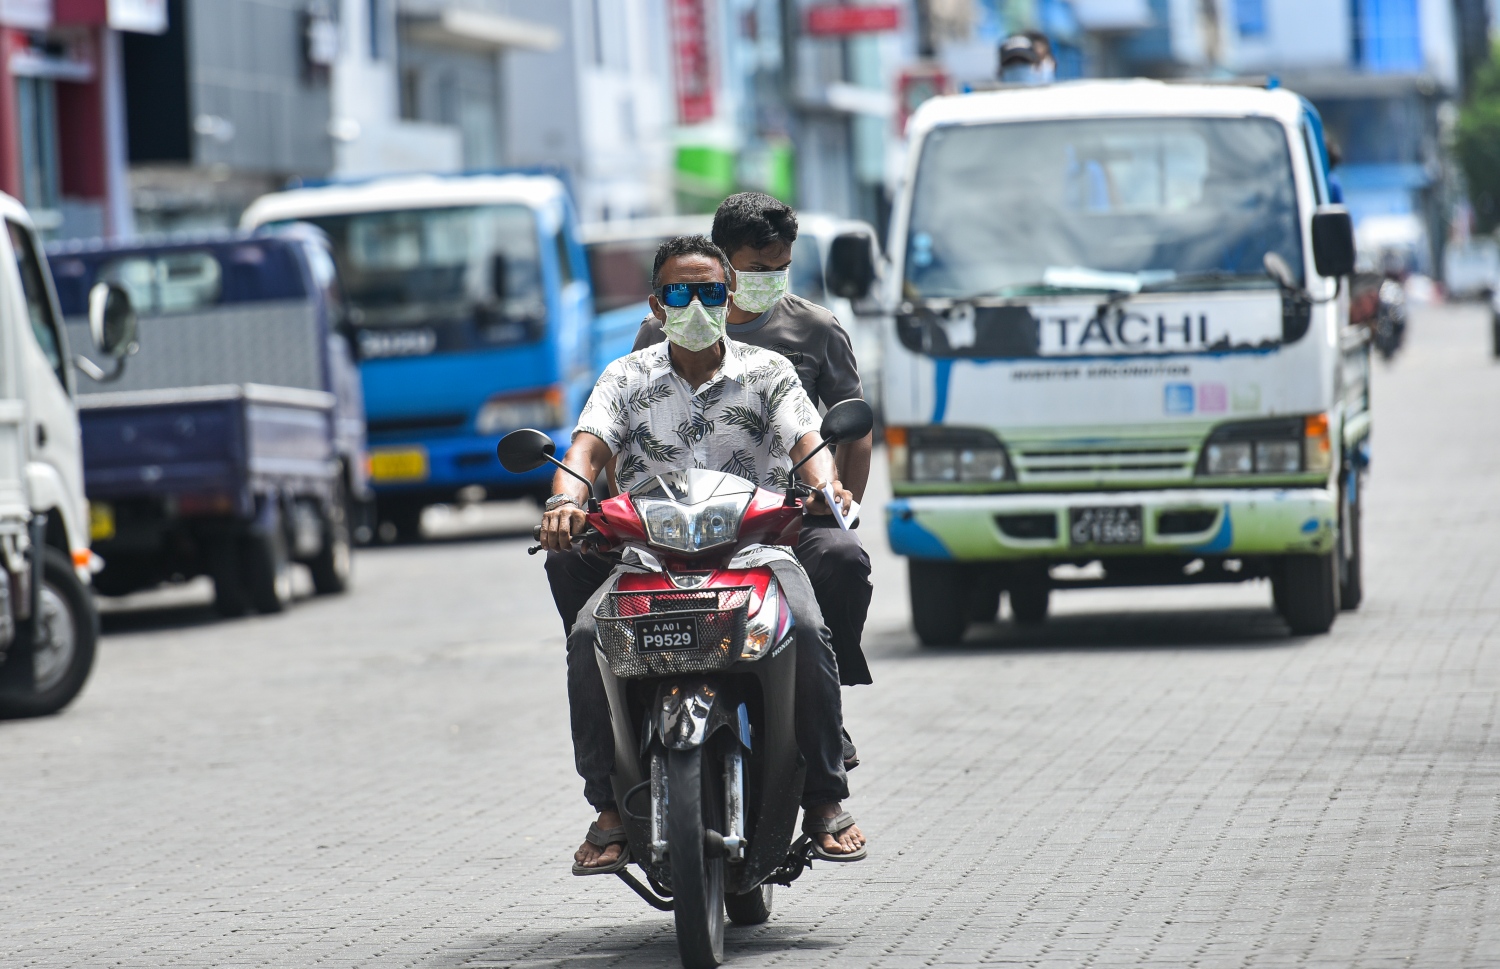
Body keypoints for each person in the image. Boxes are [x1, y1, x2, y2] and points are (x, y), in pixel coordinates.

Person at [540, 235, 868, 872]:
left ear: (731, 297)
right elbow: (583, 453)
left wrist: (827, 485)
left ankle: (826, 798)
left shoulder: (767, 372)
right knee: (587, 638)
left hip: (757, 552)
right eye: (680, 292)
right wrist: (564, 500)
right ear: (657, 305)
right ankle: (607, 807)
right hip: (646, 558)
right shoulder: (624, 377)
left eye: (711, 291)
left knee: (806, 628)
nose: (696, 304)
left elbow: (809, 441)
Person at [631, 194, 876, 741]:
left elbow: (847, 430)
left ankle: (824, 688)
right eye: (758, 269)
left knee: (842, 558)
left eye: (782, 268)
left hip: (779, 515)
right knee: (591, 605)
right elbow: (618, 433)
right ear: (722, 264)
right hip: (678, 518)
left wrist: (835, 502)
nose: (771, 279)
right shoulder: (657, 334)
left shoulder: (812, 333)